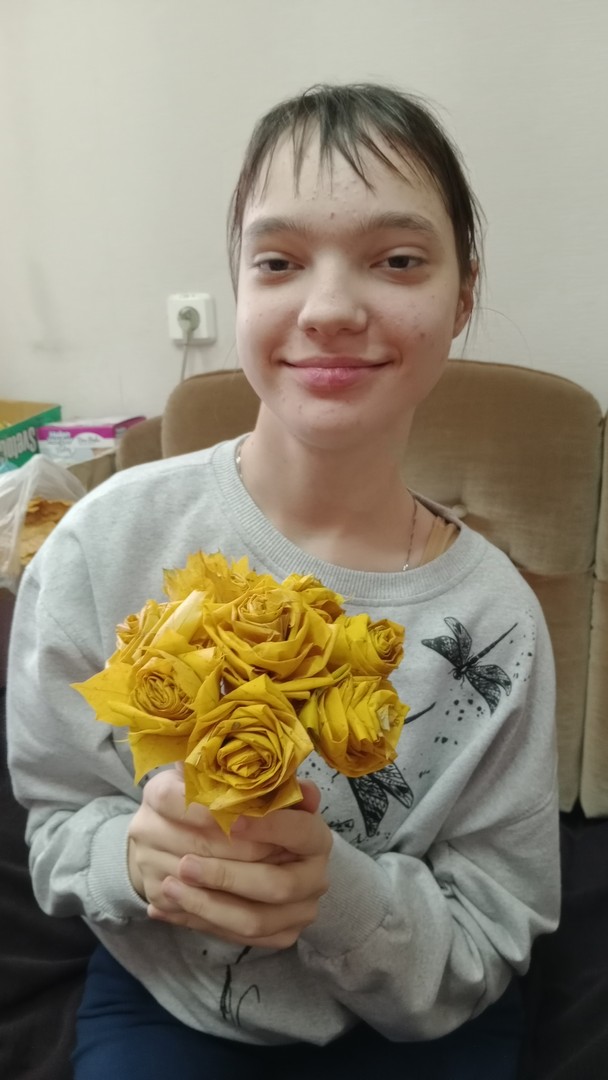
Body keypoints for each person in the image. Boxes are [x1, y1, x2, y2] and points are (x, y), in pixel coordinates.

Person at [7, 83, 560, 1079]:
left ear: (463, 296)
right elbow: (55, 822)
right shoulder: (103, 546)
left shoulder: (498, 625)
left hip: (416, 1023)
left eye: (398, 260)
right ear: (239, 289)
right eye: (278, 261)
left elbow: (493, 925)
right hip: (167, 1002)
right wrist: (132, 856)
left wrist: (336, 895)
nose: (331, 309)